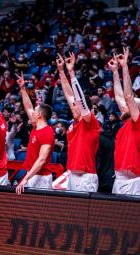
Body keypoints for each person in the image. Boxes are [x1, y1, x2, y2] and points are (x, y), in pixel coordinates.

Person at [57, 53, 101, 192]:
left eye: (75, 105)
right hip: (73, 173)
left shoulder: (91, 123)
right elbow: (69, 95)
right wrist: (61, 71)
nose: (72, 106)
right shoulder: (73, 123)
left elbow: (78, 98)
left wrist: (72, 73)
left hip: (86, 176)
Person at [108, 48, 140, 195]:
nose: (123, 106)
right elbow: (119, 96)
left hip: (131, 180)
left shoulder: (139, 123)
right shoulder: (126, 123)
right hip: (119, 177)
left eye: (127, 106)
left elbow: (127, 96)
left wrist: (125, 67)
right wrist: (114, 71)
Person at [15, 72, 55, 194]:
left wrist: (25, 179)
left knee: (40, 212)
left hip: (41, 177)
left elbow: (42, 160)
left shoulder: (47, 132)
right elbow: (27, 106)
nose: (32, 112)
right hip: (32, 174)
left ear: (39, 115)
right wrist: (22, 89)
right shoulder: (35, 126)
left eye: (35, 111)